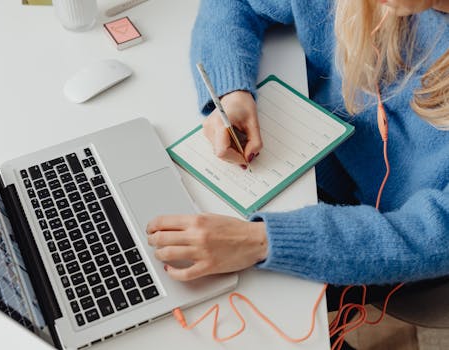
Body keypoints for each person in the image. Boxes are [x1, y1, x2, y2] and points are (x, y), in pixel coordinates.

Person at [146, 0, 449, 315]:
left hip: (384, 242)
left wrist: (262, 241)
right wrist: (230, 91)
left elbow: (431, 237)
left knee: (224, 309)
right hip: (311, 158)